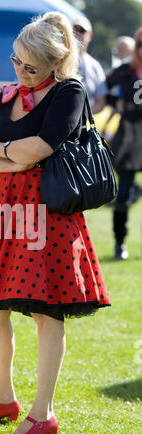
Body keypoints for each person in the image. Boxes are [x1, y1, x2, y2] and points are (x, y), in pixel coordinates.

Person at [0, 12, 111, 434]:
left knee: (44, 310)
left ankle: (42, 414)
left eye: (30, 66)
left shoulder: (68, 90)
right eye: (16, 61)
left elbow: (41, 150)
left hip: (46, 210)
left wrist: (5, 151)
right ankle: (3, 399)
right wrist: (8, 153)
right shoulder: (8, 91)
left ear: (56, 62)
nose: (20, 71)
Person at [106, 27, 142, 260]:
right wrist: (114, 103)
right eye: (141, 44)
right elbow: (103, 89)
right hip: (128, 136)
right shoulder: (124, 71)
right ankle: (120, 243)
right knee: (123, 195)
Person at [72, 16, 107, 114]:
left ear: (90, 36)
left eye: (82, 31)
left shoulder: (95, 66)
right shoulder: (57, 60)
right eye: (74, 30)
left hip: (81, 125)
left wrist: (79, 115)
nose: (77, 34)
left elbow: (100, 102)